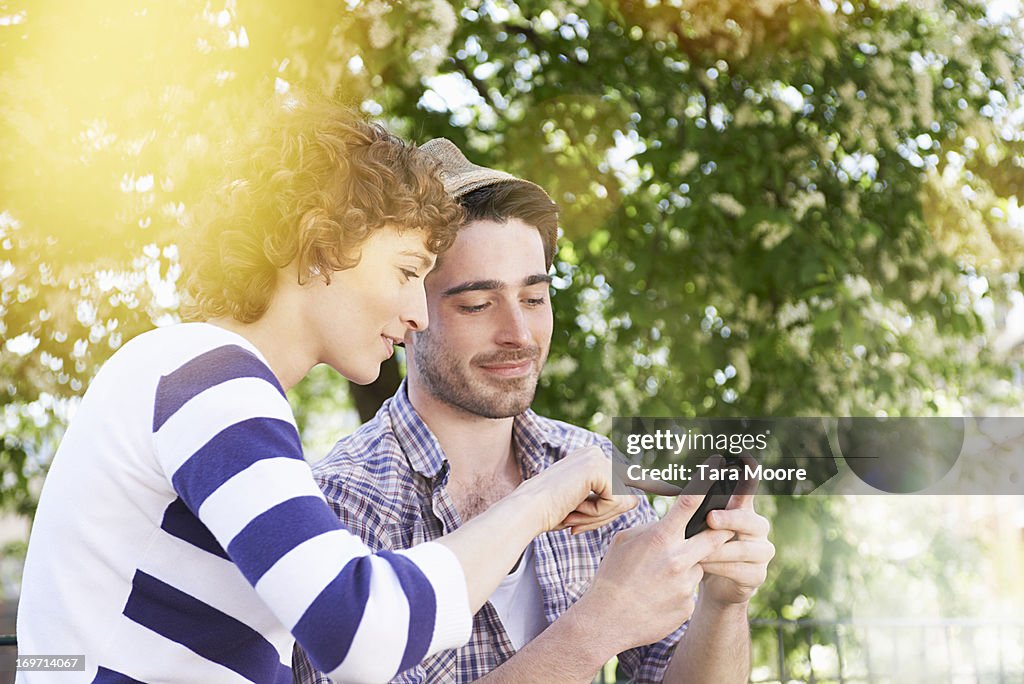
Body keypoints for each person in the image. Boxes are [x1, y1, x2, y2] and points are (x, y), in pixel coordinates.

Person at [15, 100, 638, 683]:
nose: (418, 312)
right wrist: (546, 497)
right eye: (404, 271)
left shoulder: (195, 376)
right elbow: (358, 629)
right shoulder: (206, 375)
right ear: (320, 251)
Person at [294, 139, 776, 683]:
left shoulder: (591, 464)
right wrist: (597, 626)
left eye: (534, 298)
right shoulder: (343, 504)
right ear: (407, 312)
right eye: (476, 304)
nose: (518, 335)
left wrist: (723, 603)